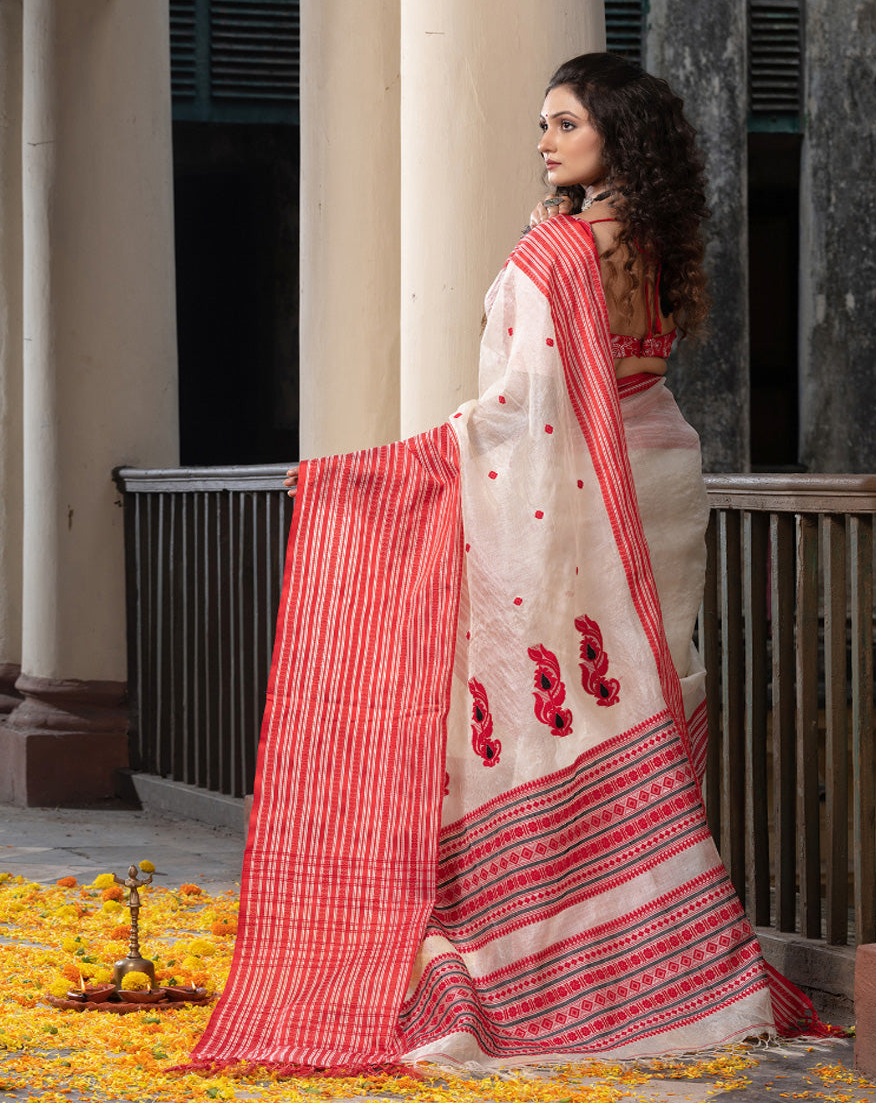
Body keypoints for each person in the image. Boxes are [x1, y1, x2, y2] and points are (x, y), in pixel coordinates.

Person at [188, 53, 822, 1075]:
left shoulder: (559, 254)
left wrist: (378, 474)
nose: (545, 140)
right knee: (634, 703)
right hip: (657, 477)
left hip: (575, 487)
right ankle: (667, 961)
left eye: (564, 123)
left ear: (614, 133)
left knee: (541, 717)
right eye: (543, 124)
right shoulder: (651, 243)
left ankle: (541, 957)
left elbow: (520, 410)